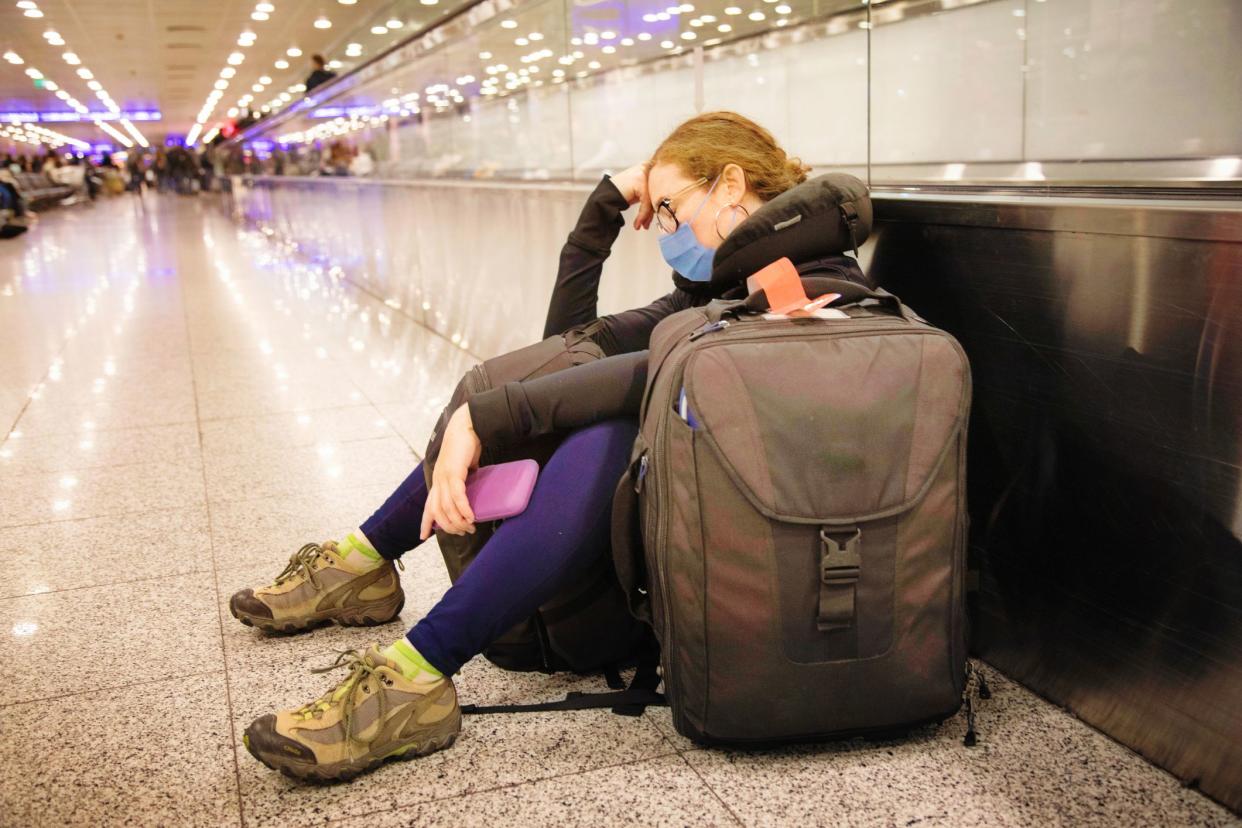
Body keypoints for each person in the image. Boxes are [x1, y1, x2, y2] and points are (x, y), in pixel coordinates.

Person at [234, 112, 870, 781]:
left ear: (732, 183)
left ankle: (412, 673)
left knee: (606, 433)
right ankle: (365, 565)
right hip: (678, 541)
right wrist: (601, 212)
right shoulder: (716, 286)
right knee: (559, 411)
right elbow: (566, 354)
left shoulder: (809, 285)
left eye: (670, 209)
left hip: (733, 567)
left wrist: (483, 416)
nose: (665, 232)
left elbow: (638, 375)